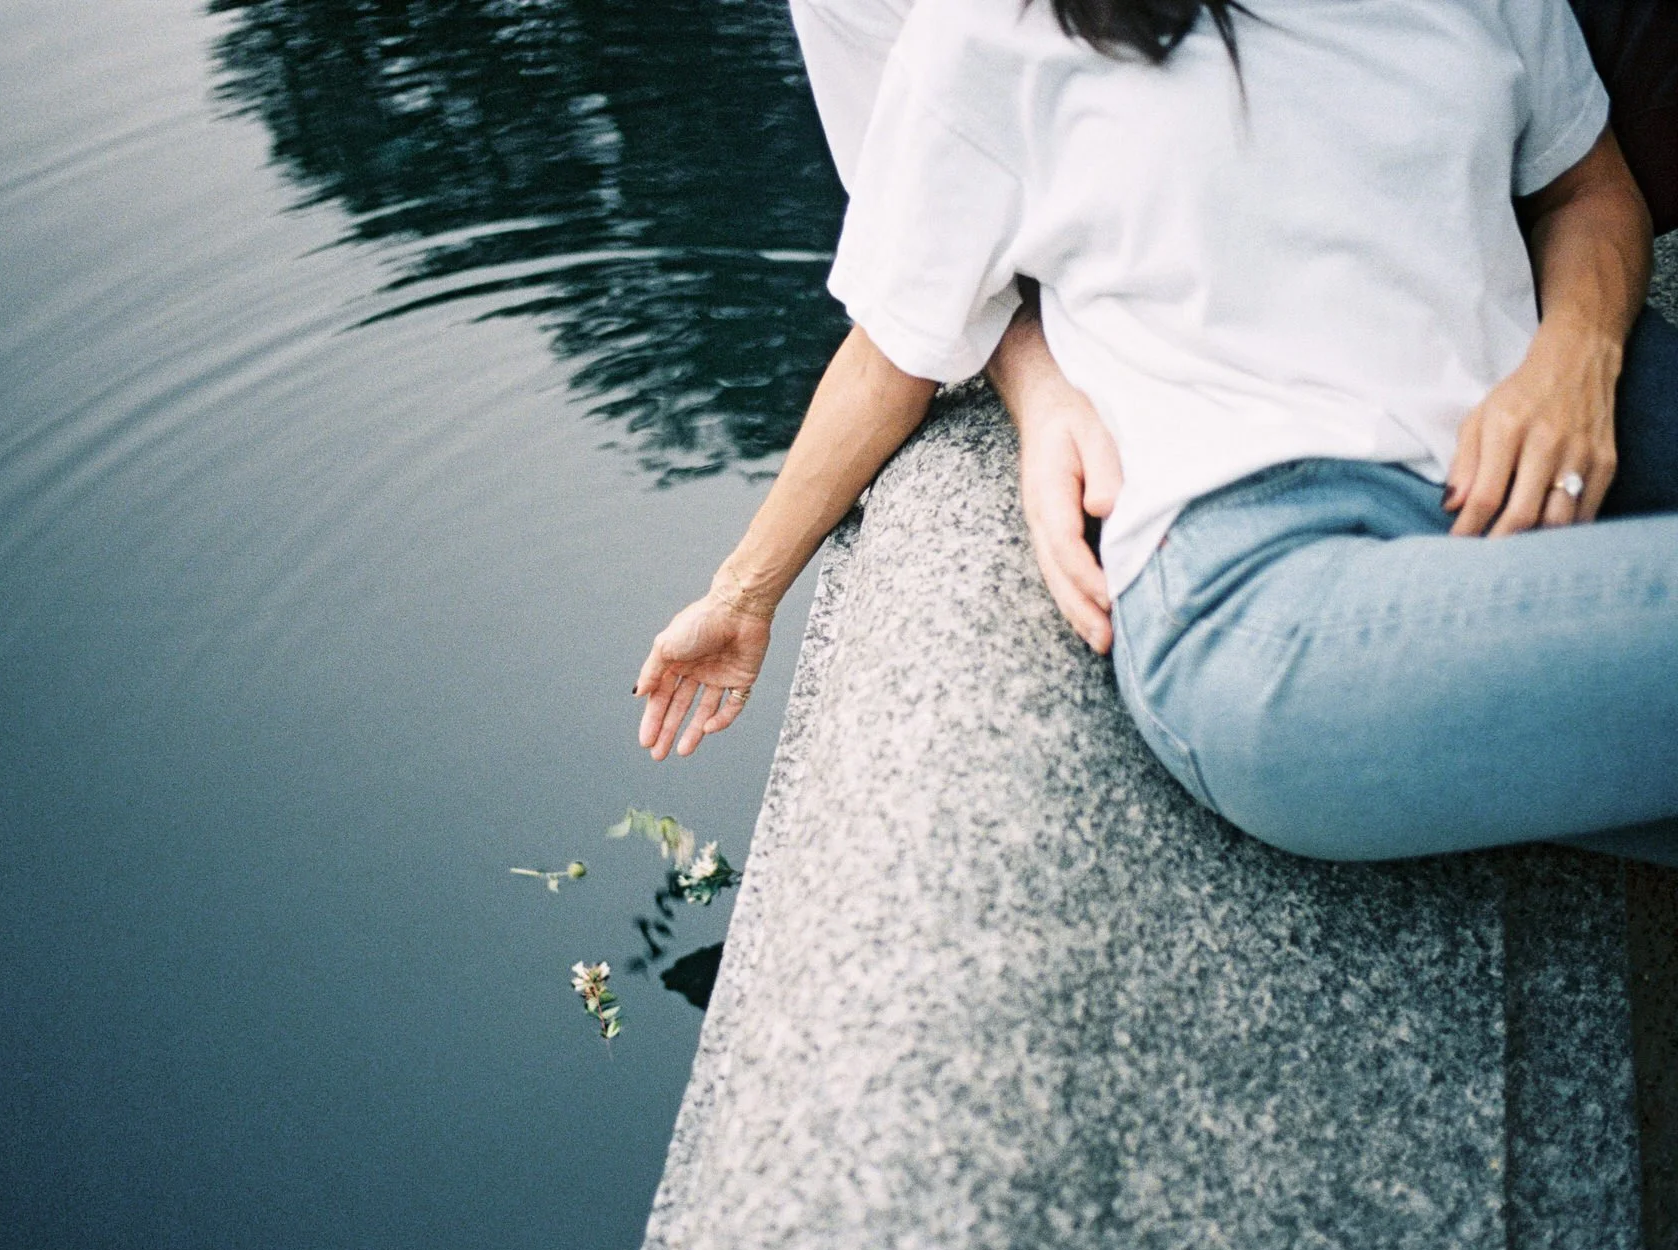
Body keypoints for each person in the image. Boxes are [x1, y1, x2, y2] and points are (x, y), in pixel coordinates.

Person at [631, 0, 1678, 865]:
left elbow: (1585, 186)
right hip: (1266, 587)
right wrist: (739, 595)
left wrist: (1572, 351)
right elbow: (889, 355)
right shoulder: (984, 39)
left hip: (1532, 445)